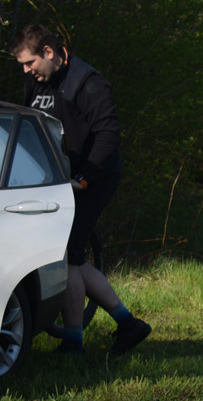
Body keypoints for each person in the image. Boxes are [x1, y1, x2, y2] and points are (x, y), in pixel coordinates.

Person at [10, 25, 151, 356]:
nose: (27, 71)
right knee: (67, 256)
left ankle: (73, 341)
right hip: (58, 178)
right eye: (23, 66)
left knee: (68, 256)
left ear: (49, 52)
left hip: (94, 178)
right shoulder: (37, 79)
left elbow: (108, 135)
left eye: (30, 63)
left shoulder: (88, 82)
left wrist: (84, 178)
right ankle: (128, 325)